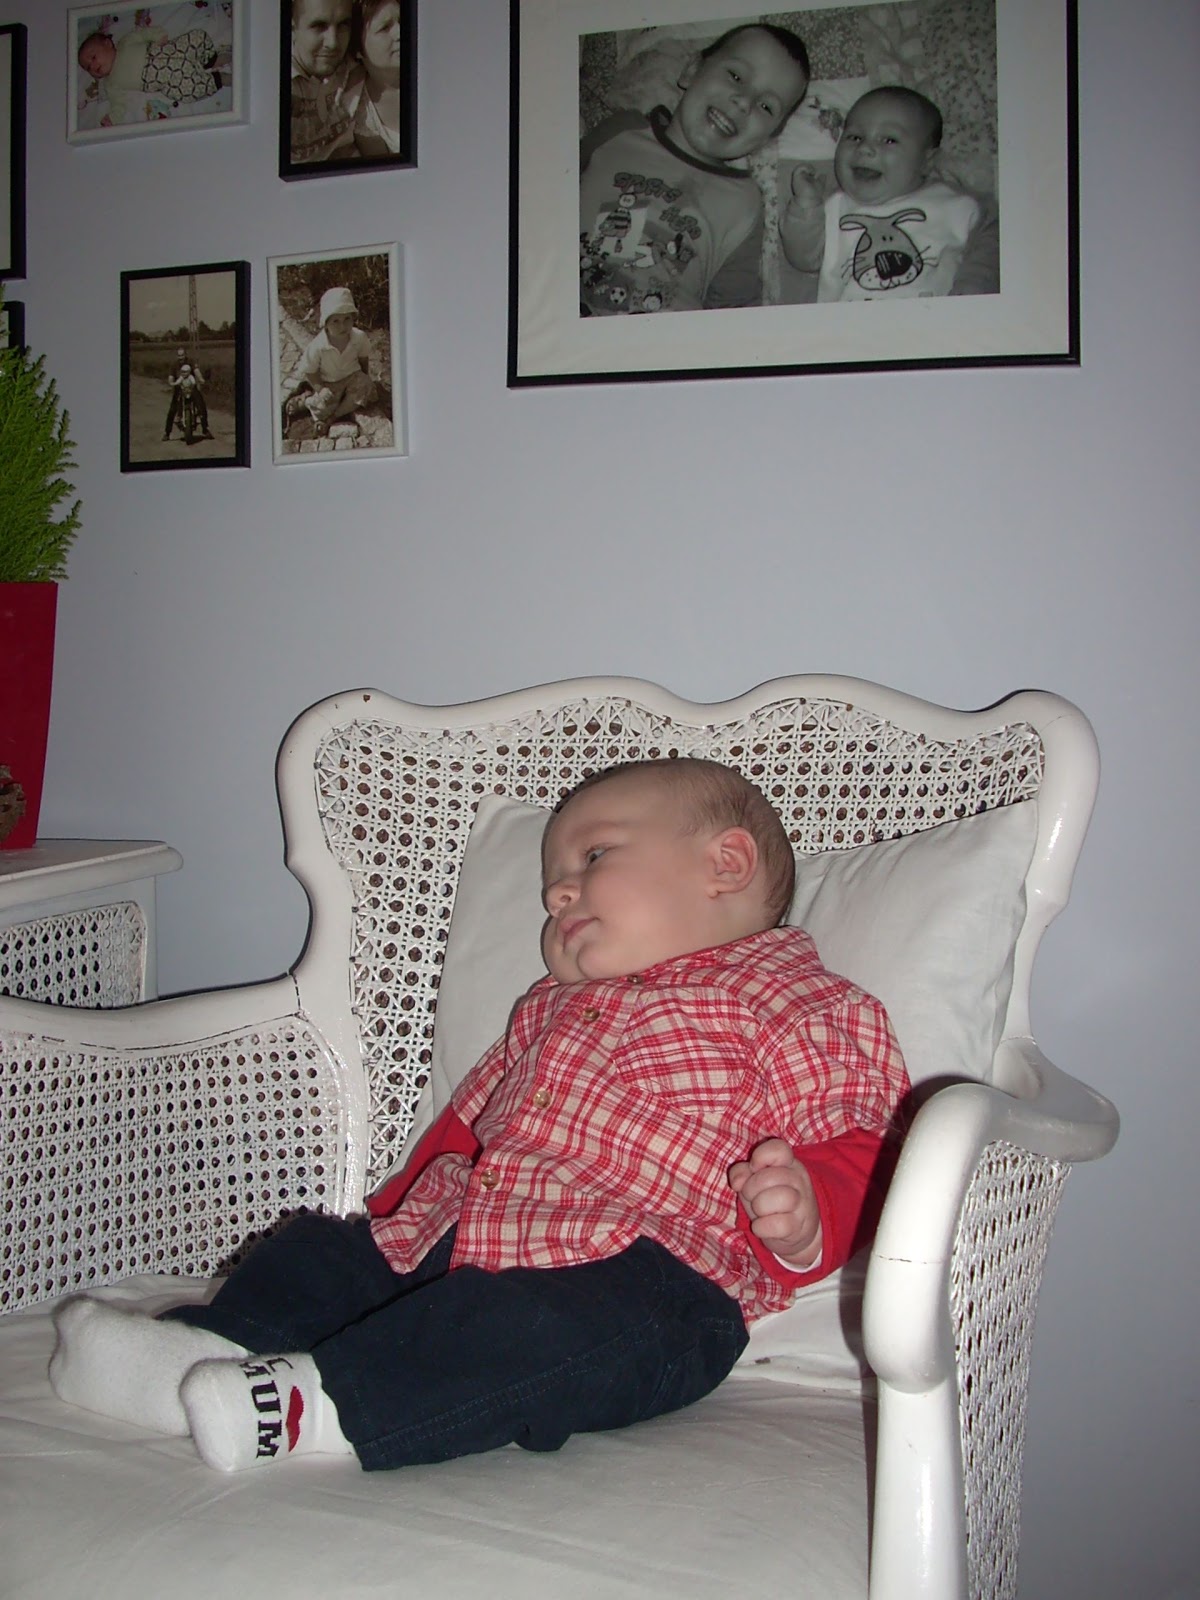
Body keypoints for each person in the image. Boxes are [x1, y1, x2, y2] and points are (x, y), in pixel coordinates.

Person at [48, 757, 910, 1474]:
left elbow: (864, 1148)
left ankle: (320, 1407)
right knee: (316, 1254)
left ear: (726, 864)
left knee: (526, 1336)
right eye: (551, 889)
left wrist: (805, 1213)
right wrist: (388, 1222)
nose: (560, 896)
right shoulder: (548, 1007)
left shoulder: (796, 1003)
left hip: (649, 1275)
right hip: (457, 1235)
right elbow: (469, 1126)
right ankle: (195, 1354)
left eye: (593, 858)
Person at [579, 24, 811, 316]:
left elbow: (733, 309)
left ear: (770, 136)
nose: (744, 102)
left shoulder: (746, 203)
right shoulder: (620, 131)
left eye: (766, 107)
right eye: (736, 76)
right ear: (692, 70)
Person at [780, 85, 982, 300]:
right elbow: (803, 258)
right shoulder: (835, 206)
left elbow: (991, 255)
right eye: (855, 137)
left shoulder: (954, 204)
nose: (865, 148)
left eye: (889, 140)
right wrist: (807, 202)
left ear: (927, 161)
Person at [78, 25, 231, 128]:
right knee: (189, 92)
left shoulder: (125, 42)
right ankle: (219, 79)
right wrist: (112, 118)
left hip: (170, 51)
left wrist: (158, 36)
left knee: (197, 37)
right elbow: (118, 104)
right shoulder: (110, 83)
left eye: (93, 57)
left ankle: (211, 60)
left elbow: (142, 34)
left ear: (107, 43)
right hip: (168, 79)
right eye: (88, 68)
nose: (93, 66)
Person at [280, 286, 378, 437]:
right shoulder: (318, 346)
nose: (342, 326)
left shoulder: (359, 337)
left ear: (353, 318)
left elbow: (363, 359)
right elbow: (310, 371)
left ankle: (334, 417)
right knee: (322, 406)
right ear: (326, 323)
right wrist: (320, 389)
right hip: (329, 382)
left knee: (365, 388)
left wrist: (365, 379)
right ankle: (305, 400)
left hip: (351, 376)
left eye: (347, 319)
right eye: (336, 321)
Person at [289, 0, 356, 165]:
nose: (333, 43)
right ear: (292, 29)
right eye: (319, 26)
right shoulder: (270, 86)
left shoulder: (355, 67)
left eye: (343, 24)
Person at [343, 0, 404, 160]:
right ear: (358, 48)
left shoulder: (433, 78)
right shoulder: (362, 113)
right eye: (384, 28)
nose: (400, 32)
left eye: (402, 21)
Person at [162, 349, 212, 442]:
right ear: (177, 356)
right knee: (172, 410)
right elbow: (171, 376)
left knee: (201, 406)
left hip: (191, 388)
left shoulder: (191, 362)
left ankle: (205, 429)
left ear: (185, 355)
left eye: (182, 355)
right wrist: (171, 382)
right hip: (179, 389)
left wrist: (201, 379)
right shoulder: (174, 365)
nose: (181, 357)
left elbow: (197, 371)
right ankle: (167, 433)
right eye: (179, 355)